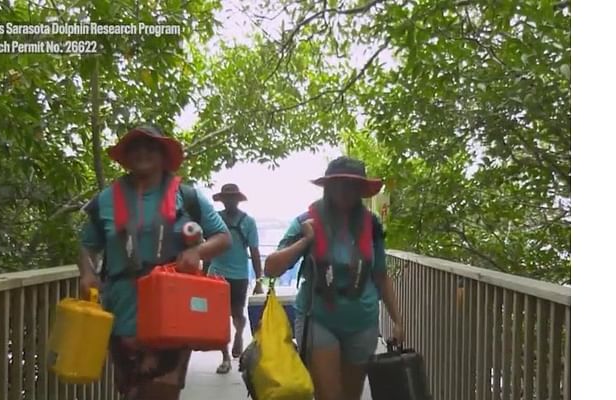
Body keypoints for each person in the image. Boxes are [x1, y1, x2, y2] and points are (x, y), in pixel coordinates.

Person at [77, 124, 232, 400]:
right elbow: (88, 245)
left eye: (150, 146)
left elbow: (222, 237)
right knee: (132, 391)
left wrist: (198, 252)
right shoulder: (107, 200)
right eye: (135, 147)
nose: (142, 152)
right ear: (127, 156)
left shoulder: (187, 196)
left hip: (174, 314)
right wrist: (87, 272)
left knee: (163, 391)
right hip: (123, 313)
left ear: (163, 155)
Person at [264, 156, 404, 400]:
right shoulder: (305, 221)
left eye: (352, 185)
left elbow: (381, 275)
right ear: (328, 186)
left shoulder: (372, 225)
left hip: (362, 319)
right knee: (329, 395)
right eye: (339, 183)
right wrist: (306, 240)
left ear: (361, 190)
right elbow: (271, 268)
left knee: (350, 395)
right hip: (318, 317)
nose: (345, 191)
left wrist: (398, 321)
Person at [207, 183, 263, 374]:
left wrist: (259, 281)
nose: (229, 201)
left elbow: (255, 251)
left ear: (238, 200)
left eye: (233, 198)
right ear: (221, 200)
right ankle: (225, 357)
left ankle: (239, 333)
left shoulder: (248, 222)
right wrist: (202, 277)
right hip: (216, 274)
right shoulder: (213, 219)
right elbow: (207, 248)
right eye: (226, 198)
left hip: (239, 275)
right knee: (219, 318)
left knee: (237, 314)